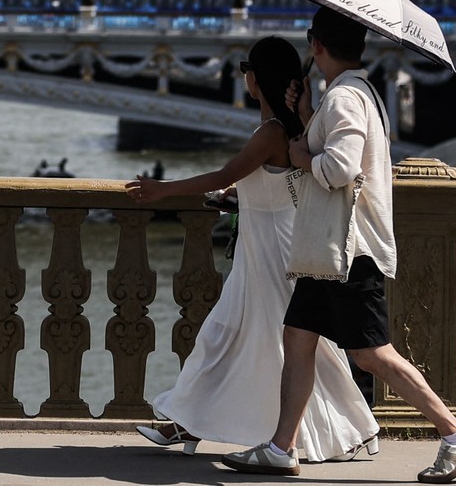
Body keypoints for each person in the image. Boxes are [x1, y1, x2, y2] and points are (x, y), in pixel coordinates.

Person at [222, 8, 456, 483]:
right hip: (330, 251)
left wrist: (301, 154)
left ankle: (454, 432)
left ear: (317, 45)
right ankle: (283, 446)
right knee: (297, 337)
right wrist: (306, 117)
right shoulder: (352, 94)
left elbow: (339, 169)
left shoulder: (345, 98)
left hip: (346, 250)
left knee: (372, 353)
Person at [126, 35, 379, 463]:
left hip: (271, 251)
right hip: (269, 241)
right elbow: (264, 184)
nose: (244, 77)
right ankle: (187, 422)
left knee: (262, 340)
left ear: (255, 79)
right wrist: (236, 196)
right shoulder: (289, 128)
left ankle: (346, 429)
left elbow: (225, 173)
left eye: (247, 71)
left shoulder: (270, 132)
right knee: (241, 337)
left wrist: (160, 191)